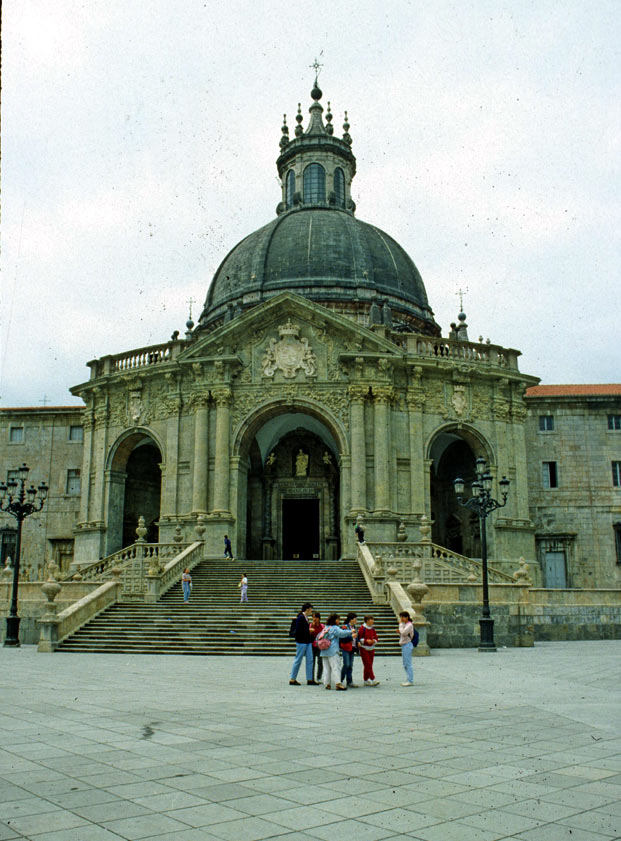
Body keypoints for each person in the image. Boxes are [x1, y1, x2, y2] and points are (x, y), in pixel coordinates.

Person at [320, 613, 357, 690]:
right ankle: (338, 683)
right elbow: (341, 633)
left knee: (326, 668)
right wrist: (350, 632)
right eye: (338, 619)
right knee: (335, 667)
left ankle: (327, 684)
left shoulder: (325, 627)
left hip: (324, 650)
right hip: (332, 650)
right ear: (335, 620)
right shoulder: (335, 628)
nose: (339, 621)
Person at [289, 602, 319, 686]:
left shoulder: (305, 617)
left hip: (307, 641)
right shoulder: (301, 617)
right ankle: (292, 678)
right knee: (298, 659)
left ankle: (309, 679)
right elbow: (299, 630)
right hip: (302, 641)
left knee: (310, 659)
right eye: (310, 609)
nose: (311, 610)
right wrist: (308, 630)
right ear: (307, 609)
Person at [358, 615, 379, 685]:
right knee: (368, 664)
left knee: (369, 664)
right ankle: (373, 679)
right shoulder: (362, 628)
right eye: (371, 619)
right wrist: (366, 641)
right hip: (364, 648)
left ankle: (366, 680)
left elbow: (376, 637)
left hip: (371, 648)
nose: (373, 621)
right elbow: (359, 638)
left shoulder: (373, 628)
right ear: (367, 621)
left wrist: (373, 641)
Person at [340, 612, 358, 688]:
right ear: (351, 619)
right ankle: (340, 679)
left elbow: (356, 637)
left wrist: (358, 642)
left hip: (352, 648)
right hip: (346, 647)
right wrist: (351, 637)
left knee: (350, 665)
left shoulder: (355, 627)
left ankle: (349, 681)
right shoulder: (345, 627)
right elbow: (342, 637)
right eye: (355, 619)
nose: (356, 620)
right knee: (346, 664)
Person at [398, 610, 415, 686]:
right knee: (405, 663)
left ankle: (410, 680)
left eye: (402, 617)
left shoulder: (409, 625)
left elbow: (404, 632)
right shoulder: (405, 624)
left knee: (408, 663)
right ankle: (408, 678)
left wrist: (400, 626)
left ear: (407, 617)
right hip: (404, 644)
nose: (401, 619)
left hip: (407, 644)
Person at [309, 611, 325, 683]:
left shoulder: (322, 626)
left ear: (319, 618)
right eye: (313, 617)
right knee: (312, 662)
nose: (314, 619)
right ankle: (311, 677)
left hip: (319, 646)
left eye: (316, 617)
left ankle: (319, 677)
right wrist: (310, 631)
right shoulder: (310, 625)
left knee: (320, 662)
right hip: (312, 646)